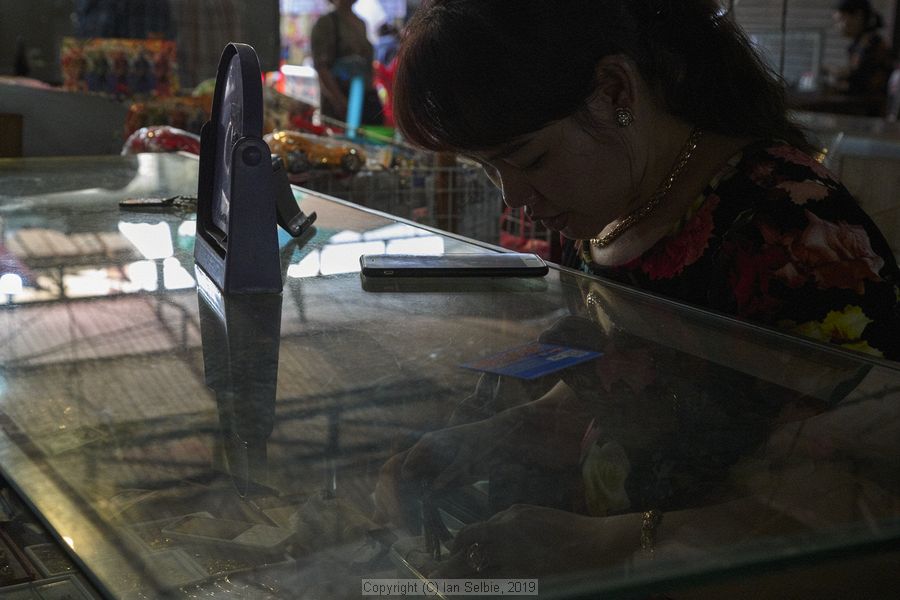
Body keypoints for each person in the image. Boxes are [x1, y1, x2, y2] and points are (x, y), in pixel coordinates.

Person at [375, 0, 900, 581]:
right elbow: (631, 389)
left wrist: (607, 546)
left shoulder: (793, 234)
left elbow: (855, 508)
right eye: (487, 169)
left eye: (530, 159)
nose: (515, 198)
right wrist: (494, 437)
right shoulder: (601, 213)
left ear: (615, 91)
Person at [310, 0, 384, 126]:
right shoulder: (326, 23)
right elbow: (322, 67)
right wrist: (339, 101)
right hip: (340, 100)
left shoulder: (361, 23)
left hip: (362, 97)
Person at [827, 0, 895, 107]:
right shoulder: (858, 44)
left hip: (871, 108)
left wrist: (837, 75)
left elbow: (860, 81)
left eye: (841, 20)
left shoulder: (871, 44)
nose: (838, 27)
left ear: (858, 16)